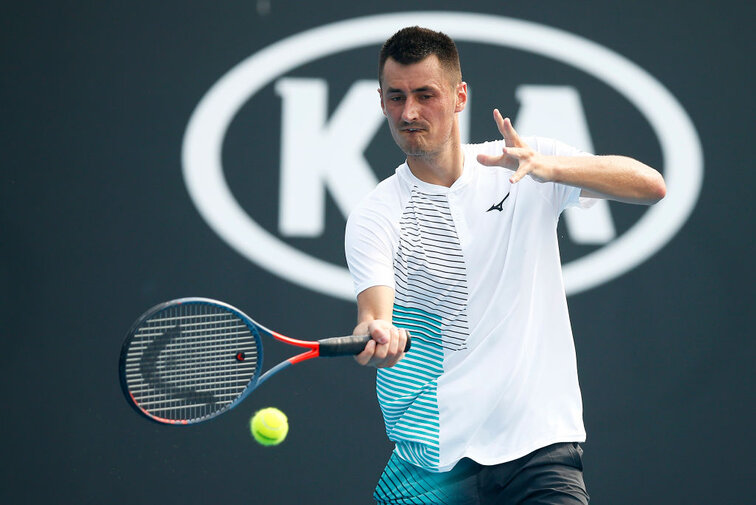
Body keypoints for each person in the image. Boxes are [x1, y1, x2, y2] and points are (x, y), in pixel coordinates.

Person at [344, 26, 666, 505]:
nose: (408, 112)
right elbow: (375, 317)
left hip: (540, 451)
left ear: (459, 96)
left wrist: (551, 169)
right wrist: (380, 338)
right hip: (432, 464)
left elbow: (651, 185)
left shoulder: (526, 164)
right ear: (381, 100)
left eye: (424, 95)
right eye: (396, 97)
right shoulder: (376, 214)